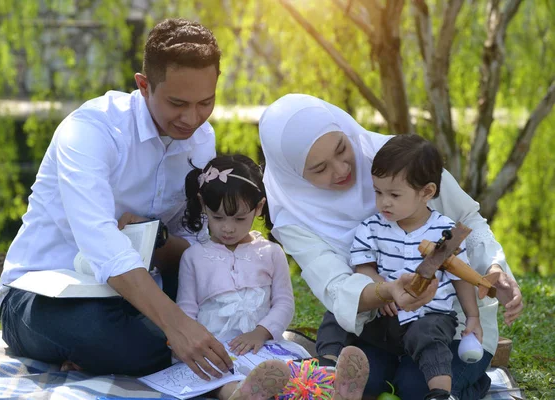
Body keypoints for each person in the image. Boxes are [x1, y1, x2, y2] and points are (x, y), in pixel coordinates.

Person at [0, 18, 234, 379]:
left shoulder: (201, 139)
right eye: (177, 103)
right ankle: (142, 348)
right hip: (45, 296)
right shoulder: (90, 130)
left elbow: (191, 243)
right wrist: (176, 324)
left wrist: (160, 240)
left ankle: (133, 350)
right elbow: (102, 244)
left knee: (224, 301)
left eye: (206, 102)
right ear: (143, 85)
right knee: (107, 333)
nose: (192, 118)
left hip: (138, 294)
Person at [258, 94, 524, 399]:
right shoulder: (293, 218)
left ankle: (474, 384)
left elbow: (467, 221)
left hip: (450, 320)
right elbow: (335, 286)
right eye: (320, 169)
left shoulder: (401, 160)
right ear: (294, 174)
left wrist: (493, 268)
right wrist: (386, 290)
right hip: (376, 328)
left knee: (416, 388)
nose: (342, 168)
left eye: (342, 148)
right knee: (361, 386)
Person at [177, 154, 370, 400]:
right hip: (216, 349)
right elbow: (186, 310)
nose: (227, 228)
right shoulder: (193, 257)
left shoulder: (270, 252)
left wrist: (261, 333)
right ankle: (241, 395)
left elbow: (284, 303)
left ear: (258, 208)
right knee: (217, 376)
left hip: (264, 346)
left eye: (239, 219)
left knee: (294, 372)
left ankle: (336, 389)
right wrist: (193, 346)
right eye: (218, 217)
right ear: (203, 204)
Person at [349, 134, 483, 400]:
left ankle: (440, 394)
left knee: (427, 342)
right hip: (387, 318)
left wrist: (473, 316)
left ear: (427, 192)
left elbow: (460, 277)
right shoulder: (371, 227)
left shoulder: (444, 231)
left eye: (394, 194)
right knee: (367, 365)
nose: (384, 202)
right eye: (378, 192)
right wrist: (381, 288)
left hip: (430, 318)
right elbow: (362, 265)